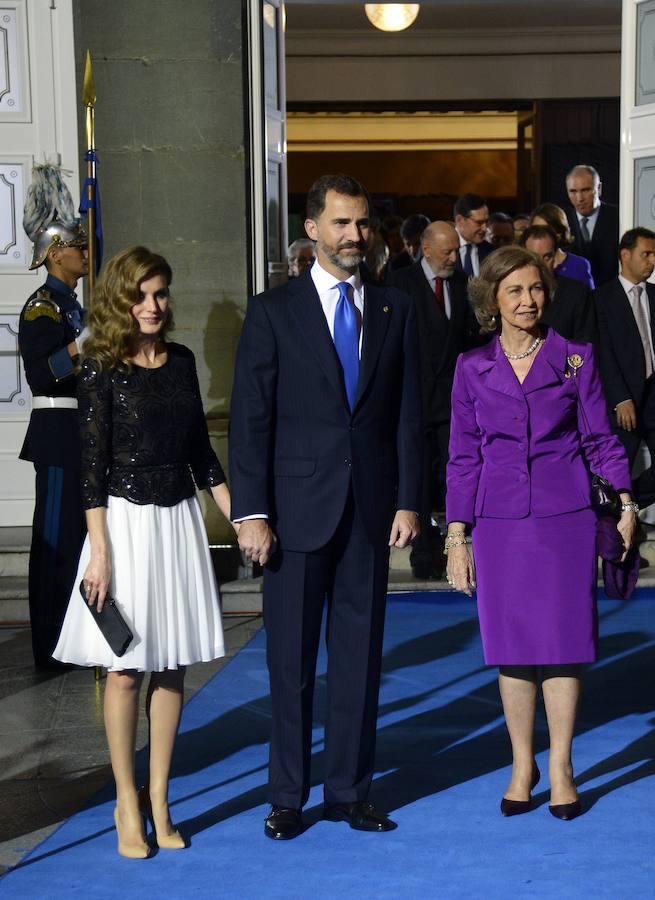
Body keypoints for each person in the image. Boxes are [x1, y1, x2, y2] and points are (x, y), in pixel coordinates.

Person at [229, 174, 421, 841]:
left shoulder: (395, 308)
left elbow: (405, 413)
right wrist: (249, 512)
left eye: (363, 224)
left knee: (359, 661)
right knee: (290, 664)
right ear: (311, 230)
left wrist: (408, 498)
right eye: (341, 224)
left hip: (369, 510)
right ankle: (287, 796)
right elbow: (250, 421)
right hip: (292, 514)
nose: (354, 237)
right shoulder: (271, 311)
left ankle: (348, 792)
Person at [53, 246, 233, 858]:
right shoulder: (101, 367)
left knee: (173, 664)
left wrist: (242, 514)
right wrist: (98, 552)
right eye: (140, 296)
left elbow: (200, 453)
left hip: (178, 520)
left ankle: (160, 800)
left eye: (160, 294)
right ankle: (127, 800)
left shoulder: (181, 363)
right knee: (126, 667)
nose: (153, 306)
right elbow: (91, 468)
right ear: (119, 302)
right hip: (123, 527)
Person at [445, 246, 636, 822]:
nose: (528, 300)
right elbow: (462, 455)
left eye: (536, 289)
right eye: (515, 291)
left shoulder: (575, 359)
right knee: (512, 649)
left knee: (562, 646)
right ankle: (522, 764)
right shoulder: (471, 368)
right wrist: (458, 535)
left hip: (566, 520)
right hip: (500, 523)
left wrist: (625, 503)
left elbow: (601, 440)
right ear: (492, 301)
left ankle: (562, 767)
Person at [19, 164, 89, 670]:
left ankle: (73, 635)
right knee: (56, 542)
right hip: (58, 431)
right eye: (77, 244)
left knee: (80, 540)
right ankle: (50, 643)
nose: (85, 251)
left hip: (80, 432)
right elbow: (44, 374)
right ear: (55, 252)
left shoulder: (73, 306)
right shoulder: (44, 307)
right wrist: (83, 346)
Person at [387, 221, 474, 578]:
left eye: (456, 250)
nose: (454, 257)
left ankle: (456, 542)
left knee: (454, 471)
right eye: (447, 251)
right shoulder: (399, 284)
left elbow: (466, 338)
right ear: (426, 249)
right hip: (414, 400)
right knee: (418, 475)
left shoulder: (461, 281)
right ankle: (423, 550)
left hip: (452, 400)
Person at [596, 227, 655, 508]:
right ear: (625, 254)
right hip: (624, 401)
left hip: (653, 396)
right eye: (647, 254)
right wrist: (620, 397)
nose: (652, 260)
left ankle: (625, 509)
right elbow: (602, 353)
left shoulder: (654, 294)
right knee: (615, 472)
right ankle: (613, 522)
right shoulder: (602, 298)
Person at [520, 224, 597, 344]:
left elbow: (585, 344)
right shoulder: (510, 293)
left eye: (547, 257)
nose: (541, 265)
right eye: (534, 257)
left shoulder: (577, 293)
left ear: (556, 257)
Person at [565, 165, 619, 287]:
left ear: (599, 188)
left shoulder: (619, 217)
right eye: (573, 191)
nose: (579, 199)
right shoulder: (562, 220)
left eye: (585, 190)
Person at [530, 202, 594, 289]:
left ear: (559, 232)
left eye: (547, 230)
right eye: (537, 230)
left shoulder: (579, 265)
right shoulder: (524, 263)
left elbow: (590, 299)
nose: (542, 235)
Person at [454, 193, 494, 277]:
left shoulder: (491, 252)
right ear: (459, 220)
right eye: (479, 222)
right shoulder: (442, 248)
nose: (484, 228)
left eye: (486, 221)